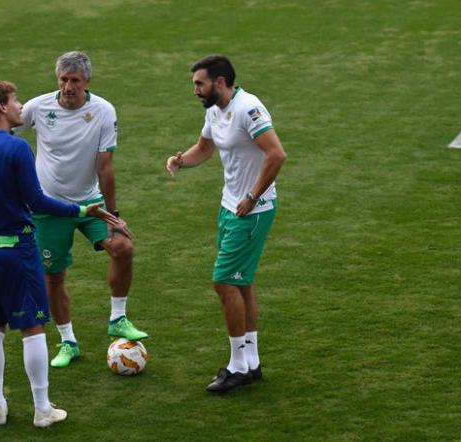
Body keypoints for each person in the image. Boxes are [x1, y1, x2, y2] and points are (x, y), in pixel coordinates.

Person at [0, 80, 119, 426]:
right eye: (15, 101)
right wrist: (82, 212)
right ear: (2, 108)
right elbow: (37, 200)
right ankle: (42, 410)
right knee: (32, 328)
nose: (21, 107)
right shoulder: (15, 149)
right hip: (16, 248)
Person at [17, 51, 147, 369]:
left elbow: (106, 167)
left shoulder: (103, 111)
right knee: (54, 276)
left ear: (87, 81)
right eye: (63, 79)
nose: (68, 86)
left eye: (74, 80)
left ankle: (118, 318)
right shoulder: (37, 107)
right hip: (50, 207)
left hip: (91, 203)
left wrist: (113, 215)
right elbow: (6, 136)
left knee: (123, 247)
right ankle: (68, 341)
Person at [166, 55, 287, 393]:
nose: (195, 91)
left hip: (252, 210)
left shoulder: (249, 108)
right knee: (241, 282)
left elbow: (277, 154)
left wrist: (251, 196)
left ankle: (237, 367)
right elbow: (204, 148)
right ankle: (251, 361)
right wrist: (180, 160)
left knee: (224, 283)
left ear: (220, 82)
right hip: (230, 207)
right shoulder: (214, 110)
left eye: (199, 84)